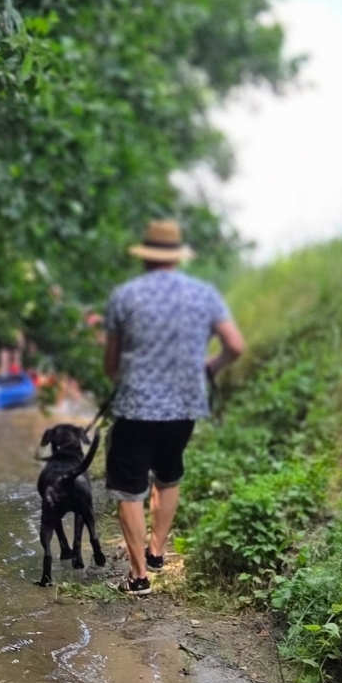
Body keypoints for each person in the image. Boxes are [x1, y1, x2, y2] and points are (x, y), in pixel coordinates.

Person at [103, 219, 245, 593]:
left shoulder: (125, 296)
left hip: (135, 407)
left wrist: (127, 379)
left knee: (130, 489)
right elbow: (235, 346)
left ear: (146, 257)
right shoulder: (204, 294)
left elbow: (110, 365)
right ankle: (156, 552)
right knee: (169, 475)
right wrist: (209, 368)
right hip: (183, 406)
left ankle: (138, 579)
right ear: (176, 256)